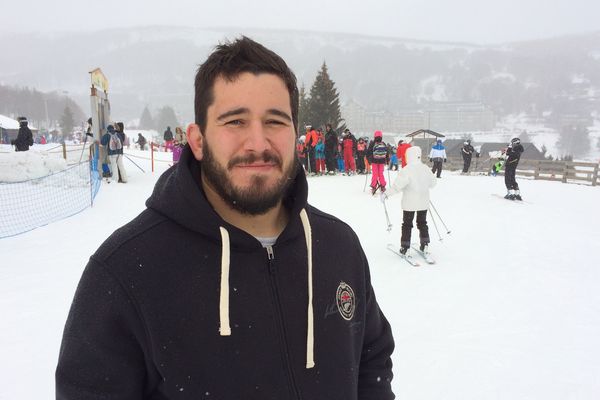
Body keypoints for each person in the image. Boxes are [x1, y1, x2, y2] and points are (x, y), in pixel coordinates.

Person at [56, 36, 395, 400]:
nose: (258, 142)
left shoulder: (337, 246)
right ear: (198, 140)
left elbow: (371, 360)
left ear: (295, 134)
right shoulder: (126, 269)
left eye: (275, 121)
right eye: (235, 121)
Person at [382, 146, 437, 255]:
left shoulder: (407, 170)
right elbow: (433, 183)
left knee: (407, 224)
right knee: (422, 223)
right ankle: (425, 244)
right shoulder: (425, 168)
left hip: (409, 204)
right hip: (423, 202)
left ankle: (405, 247)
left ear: (409, 156)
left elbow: (397, 186)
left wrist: (386, 194)